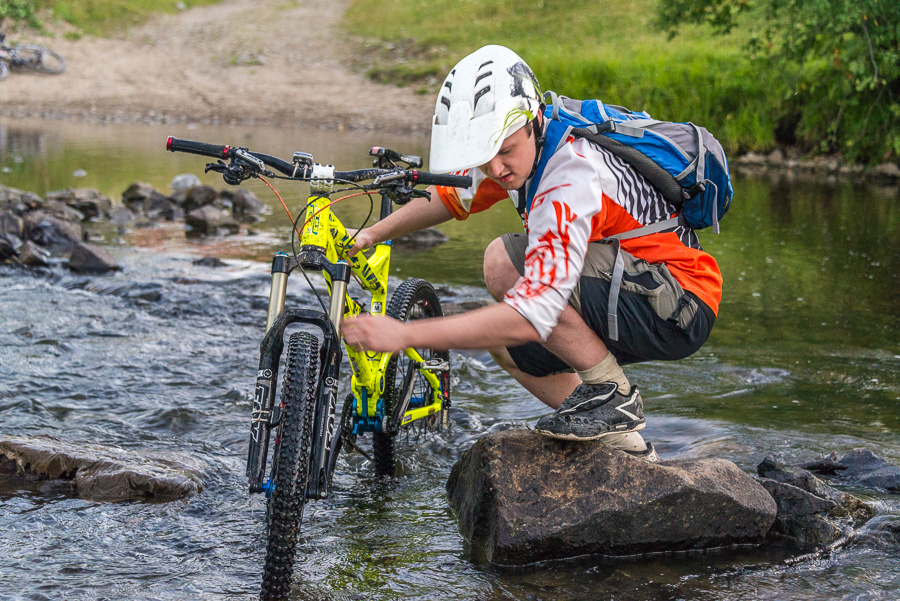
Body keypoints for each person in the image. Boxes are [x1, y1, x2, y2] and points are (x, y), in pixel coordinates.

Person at [342, 45, 722, 461]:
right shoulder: (525, 146)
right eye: (486, 159)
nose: (498, 170)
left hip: (678, 300)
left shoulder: (569, 174)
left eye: (505, 152)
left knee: (504, 266)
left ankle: (613, 396)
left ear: (532, 119)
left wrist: (403, 335)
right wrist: (370, 234)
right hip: (641, 288)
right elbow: (451, 196)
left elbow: (534, 309)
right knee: (506, 347)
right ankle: (623, 446)